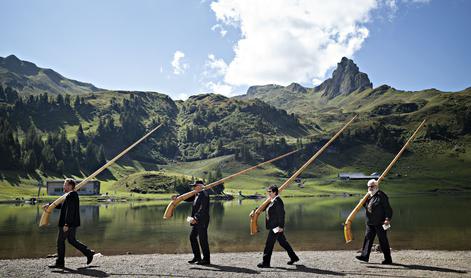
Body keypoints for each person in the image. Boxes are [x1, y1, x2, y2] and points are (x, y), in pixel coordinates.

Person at [43, 178, 96, 268]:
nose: (64, 186)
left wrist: (66, 224)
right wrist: (50, 205)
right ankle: (88, 252)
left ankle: (60, 262)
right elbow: (61, 205)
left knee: (60, 241)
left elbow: (70, 211)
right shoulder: (69, 195)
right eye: (64, 184)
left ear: (70, 186)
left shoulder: (71, 195)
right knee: (71, 240)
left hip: (68, 223)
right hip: (72, 223)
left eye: (65, 184)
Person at [257, 185, 299, 268]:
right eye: (268, 191)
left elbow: (282, 215)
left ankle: (266, 263)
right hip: (274, 226)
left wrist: (281, 227)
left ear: (274, 192)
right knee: (283, 242)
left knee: (269, 244)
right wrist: (256, 210)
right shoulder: (272, 201)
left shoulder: (278, 201)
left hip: (276, 227)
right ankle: (294, 257)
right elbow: (265, 208)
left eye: (270, 191)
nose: (268, 193)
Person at [356, 179, 393, 264]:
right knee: (368, 239)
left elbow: (388, 208)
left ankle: (388, 259)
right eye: (368, 186)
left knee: (383, 240)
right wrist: (363, 203)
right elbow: (369, 208)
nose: (370, 188)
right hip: (370, 223)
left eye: (371, 186)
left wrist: (387, 219)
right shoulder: (369, 196)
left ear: (376, 186)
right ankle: (364, 256)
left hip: (380, 222)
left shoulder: (381, 195)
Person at [174, 180, 211, 265]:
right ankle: (197, 257)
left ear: (200, 186)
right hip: (196, 220)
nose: (193, 187)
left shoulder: (204, 194)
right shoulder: (197, 194)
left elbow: (203, 208)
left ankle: (206, 259)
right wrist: (177, 197)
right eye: (193, 186)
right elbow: (188, 198)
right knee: (192, 237)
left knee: (203, 239)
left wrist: (196, 217)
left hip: (202, 220)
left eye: (195, 186)